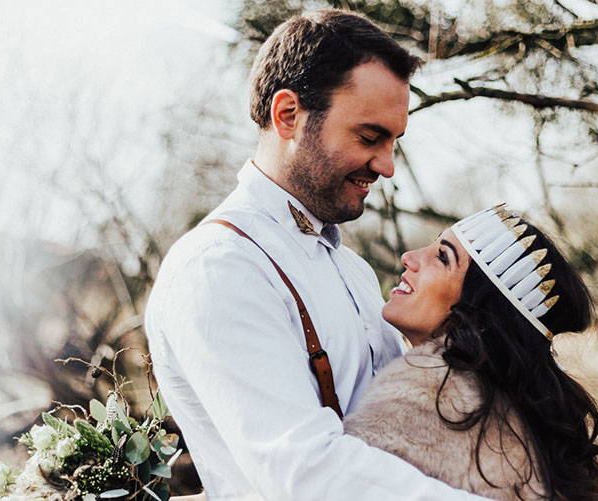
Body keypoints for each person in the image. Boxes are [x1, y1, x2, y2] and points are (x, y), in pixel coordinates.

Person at [145, 9, 489, 501]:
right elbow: (304, 473)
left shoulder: (354, 270)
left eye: (394, 142)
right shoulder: (220, 267)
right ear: (288, 116)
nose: (387, 166)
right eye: (370, 137)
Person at [344, 205, 598, 500]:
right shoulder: (517, 402)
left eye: (442, 258)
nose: (409, 257)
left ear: (479, 310)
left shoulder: (424, 393)